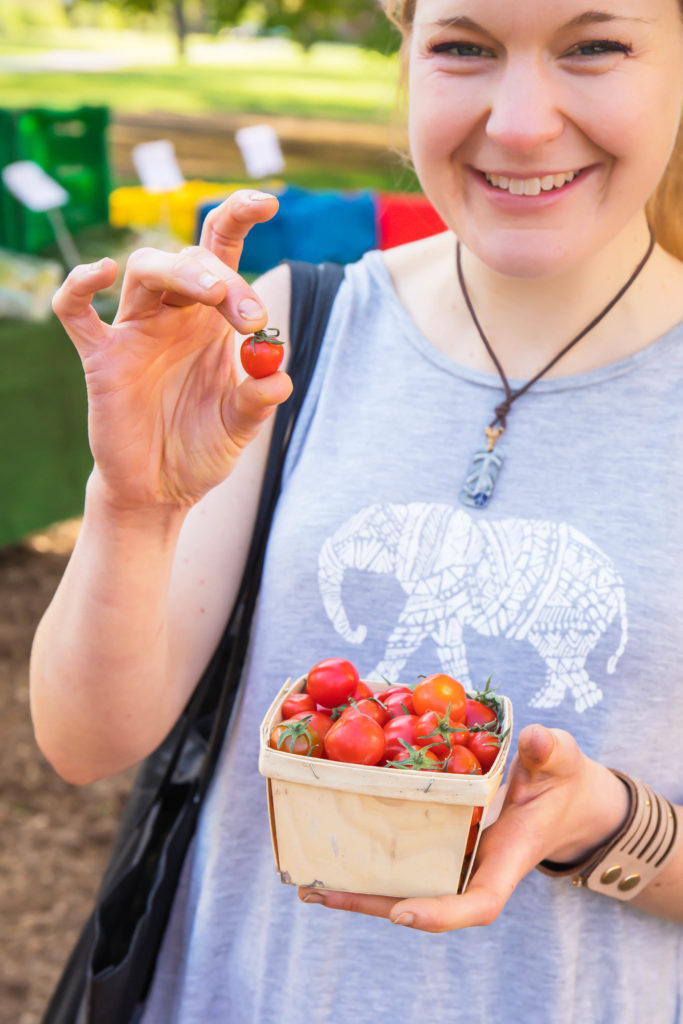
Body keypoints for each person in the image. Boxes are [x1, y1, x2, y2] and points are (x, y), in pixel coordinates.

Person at [31, 1, 683, 1021]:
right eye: (463, 47)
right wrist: (132, 504)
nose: (516, 121)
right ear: (407, 55)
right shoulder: (290, 326)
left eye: (593, 46)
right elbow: (84, 741)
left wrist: (609, 824)